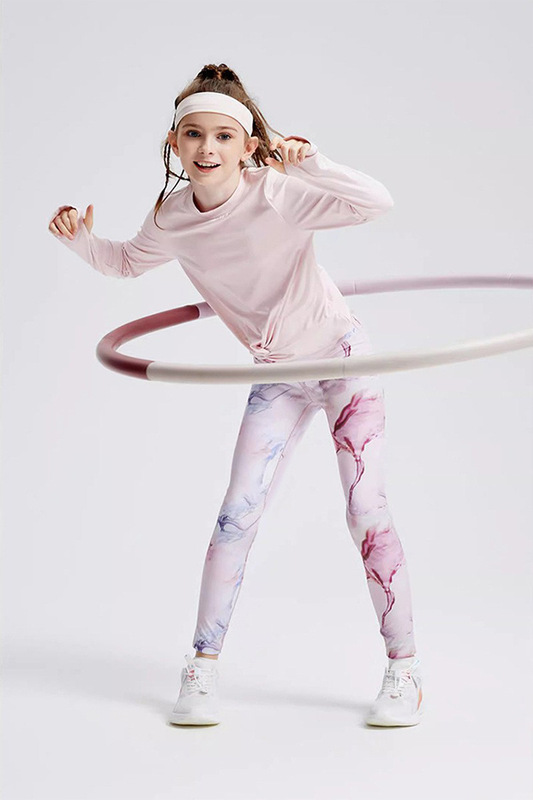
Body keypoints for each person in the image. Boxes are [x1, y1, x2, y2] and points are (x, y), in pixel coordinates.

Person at [48, 62, 424, 729]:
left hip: (342, 359)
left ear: (248, 145)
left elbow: (376, 203)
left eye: (223, 136)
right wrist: (81, 241)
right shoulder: (171, 216)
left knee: (365, 508)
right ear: (174, 142)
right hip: (274, 375)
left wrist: (314, 164)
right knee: (235, 517)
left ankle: (404, 668)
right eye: (194, 134)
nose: (207, 148)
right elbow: (127, 262)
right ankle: (201, 668)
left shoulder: (277, 192)